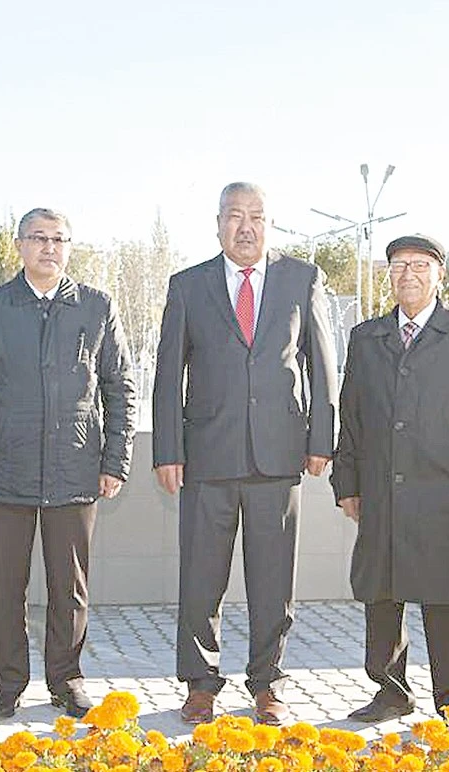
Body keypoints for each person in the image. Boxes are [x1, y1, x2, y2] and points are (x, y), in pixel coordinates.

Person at [152, 182, 337, 725]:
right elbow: (167, 374)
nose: (246, 226)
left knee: (273, 582)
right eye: (235, 216)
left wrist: (321, 440)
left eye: (257, 216)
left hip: (278, 456)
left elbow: (322, 364)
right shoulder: (188, 286)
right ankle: (200, 683)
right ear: (218, 224)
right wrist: (167, 449)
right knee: (200, 578)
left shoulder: (302, 279)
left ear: (270, 224)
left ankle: (268, 683)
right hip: (207, 456)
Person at [0, 208, 136, 720]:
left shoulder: (96, 306)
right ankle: (7, 684)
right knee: (6, 588)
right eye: (38, 238)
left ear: (69, 247)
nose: (49, 247)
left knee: (69, 588)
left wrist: (115, 460)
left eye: (59, 239)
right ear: (19, 245)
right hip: (5, 471)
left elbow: (120, 387)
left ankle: (66, 680)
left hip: (76, 469)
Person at [331, 234, 449, 721]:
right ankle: (391, 691)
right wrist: (348, 483)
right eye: (399, 265)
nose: (409, 274)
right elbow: (352, 415)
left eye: (421, 265)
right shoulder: (367, 338)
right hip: (381, 488)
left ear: (440, 274)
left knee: (446, 597)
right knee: (381, 593)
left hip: (443, 490)